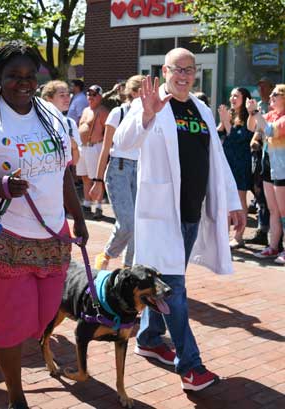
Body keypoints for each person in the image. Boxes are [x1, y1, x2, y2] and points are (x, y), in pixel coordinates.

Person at [0, 42, 87, 409]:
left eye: (29, 76)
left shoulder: (53, 117)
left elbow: (63, 173)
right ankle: (16, 398)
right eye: (13, 76)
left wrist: (79, 218)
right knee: (13, 326)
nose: (23, 83)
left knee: (39, 324)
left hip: (52, 236)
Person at [112, 48, 245, 392]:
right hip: (160, 217)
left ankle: (150, 337)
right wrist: (145, 116)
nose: (184, 75)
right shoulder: (150, 103)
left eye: (190, 69)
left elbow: (215, 158)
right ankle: (190, 366)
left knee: (169, 283)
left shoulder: (199, 108)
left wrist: (231, 201)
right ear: (165, 70)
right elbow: (122, 144)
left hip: (190, 216)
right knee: (175, 293)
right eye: (178, 69)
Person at [90, 74, 145, 270]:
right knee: (128, 222)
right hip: (118, 169)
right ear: (133, 93)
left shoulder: (149, 115)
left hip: (140, 169)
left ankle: (129, 268)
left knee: (138, 223)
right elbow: (105, 149)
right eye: (144, 90)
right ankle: (106, 254)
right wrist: (97, 180)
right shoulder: (118, 113)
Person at [247, 84, 285, 263]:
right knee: (273, 210)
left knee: (284, 211)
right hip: (269, 166)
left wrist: (256, 113)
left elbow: (270, 130)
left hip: (282, 169)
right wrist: (251, 112)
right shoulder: (270, 115)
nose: (270, 96)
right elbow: (252, 127)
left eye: (275, 94)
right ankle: (273, 247)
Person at [217, 87, 254, 248]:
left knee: (239, 199)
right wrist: (221, 123)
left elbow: (239, 139)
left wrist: (226, 122)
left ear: (244, 98)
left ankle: (238, 237)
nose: (232, 98)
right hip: (227, 161)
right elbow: (218, 135)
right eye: (231, 95)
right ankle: (224, 236)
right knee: (225, 200)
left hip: (240, 162)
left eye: (236, 96)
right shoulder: (229, 115)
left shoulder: (249, 117)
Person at [77, 85, 108, 218]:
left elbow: (109, 131)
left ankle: (99, 207)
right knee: (84, 177)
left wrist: (107, 150)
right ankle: (87, 204)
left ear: (100, 97)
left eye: (94, 94)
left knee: (97, 178)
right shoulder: (85, 110)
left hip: (95, 147)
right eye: (89, 94)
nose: (90, 97)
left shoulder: (103, 111)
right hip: (83, 148)